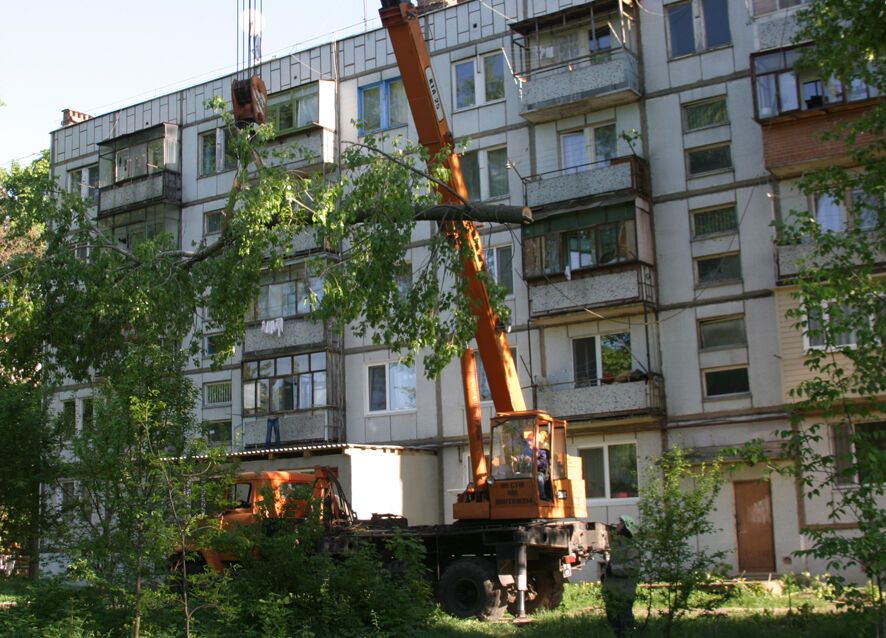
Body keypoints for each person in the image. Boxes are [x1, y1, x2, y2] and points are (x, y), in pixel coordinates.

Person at [602, 514, 640, 637]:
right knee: (614, 623)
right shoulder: (618, 545)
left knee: (625, 623)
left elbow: (632, 568)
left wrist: (613, 570)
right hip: (614, 592)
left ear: (626, 527)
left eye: (620, 523)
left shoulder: (631, 547)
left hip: (624, 592)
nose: (617, 525)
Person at [536, 429, 552, 501]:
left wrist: (534, 462)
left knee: (539, 478)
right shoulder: (532, 450)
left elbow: (543, 462)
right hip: (531, 471)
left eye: (539, 440)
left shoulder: (544, 451)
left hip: (542, 471)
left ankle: (542, 496)